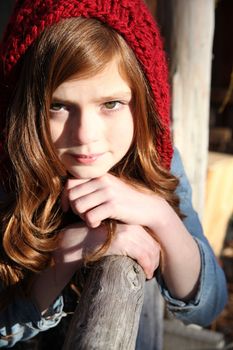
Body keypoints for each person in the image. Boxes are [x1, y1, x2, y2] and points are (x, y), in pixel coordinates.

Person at [0, 0, 227, 348]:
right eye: (58, 106)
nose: (85, 136)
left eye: (111, 104)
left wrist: (159, 214)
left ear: (144, 99)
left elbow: (208, 304)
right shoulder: (8, 171)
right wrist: (68, 254)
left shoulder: (155, 159)